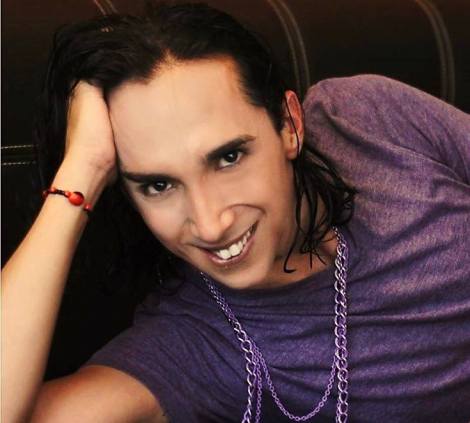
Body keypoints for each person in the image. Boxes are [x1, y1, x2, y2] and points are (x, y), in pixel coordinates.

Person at [2, 2, 470, 423]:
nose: (211, 224)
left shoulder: (362, 118)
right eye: (158, 185)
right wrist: (80, 173)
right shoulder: (193, 343)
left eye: (228, 158)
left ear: (289, 124)